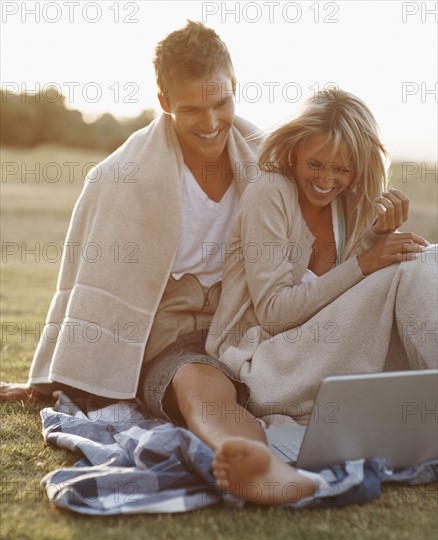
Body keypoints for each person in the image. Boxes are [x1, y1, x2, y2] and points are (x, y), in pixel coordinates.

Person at [1, 21, 320, 506]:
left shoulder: (271, 158)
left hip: (246, 323)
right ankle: (255, 464)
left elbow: (330, 200)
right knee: (199, 381)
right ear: (165, 101)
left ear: (236, 85)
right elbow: (85, 283)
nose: (212, 122)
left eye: (222, 103)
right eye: (192, 109)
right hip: (171, 334)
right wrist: (46, 380)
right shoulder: (119, 177)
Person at [206, 89, 436, 490]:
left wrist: (374, 238)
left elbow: (344, 301)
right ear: (294, 150)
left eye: (343, 170)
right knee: (409, 268)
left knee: (427, 256)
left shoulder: (349, 204)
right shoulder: (270, 194)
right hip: (264, 365)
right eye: (315, 164)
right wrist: (368, 261)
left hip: (320, 358)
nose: (327, 180)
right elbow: (276, 314)